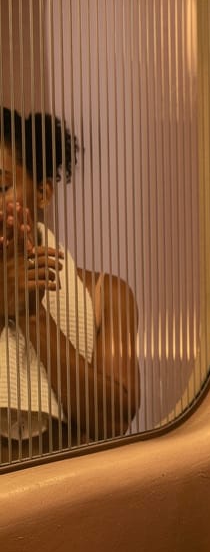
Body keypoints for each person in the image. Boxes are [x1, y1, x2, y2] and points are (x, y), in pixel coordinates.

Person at [1, 107, 140, 461]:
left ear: (44, 193)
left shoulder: (106, 295)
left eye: (1, 186)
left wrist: (31, 315)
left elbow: (114, 420)